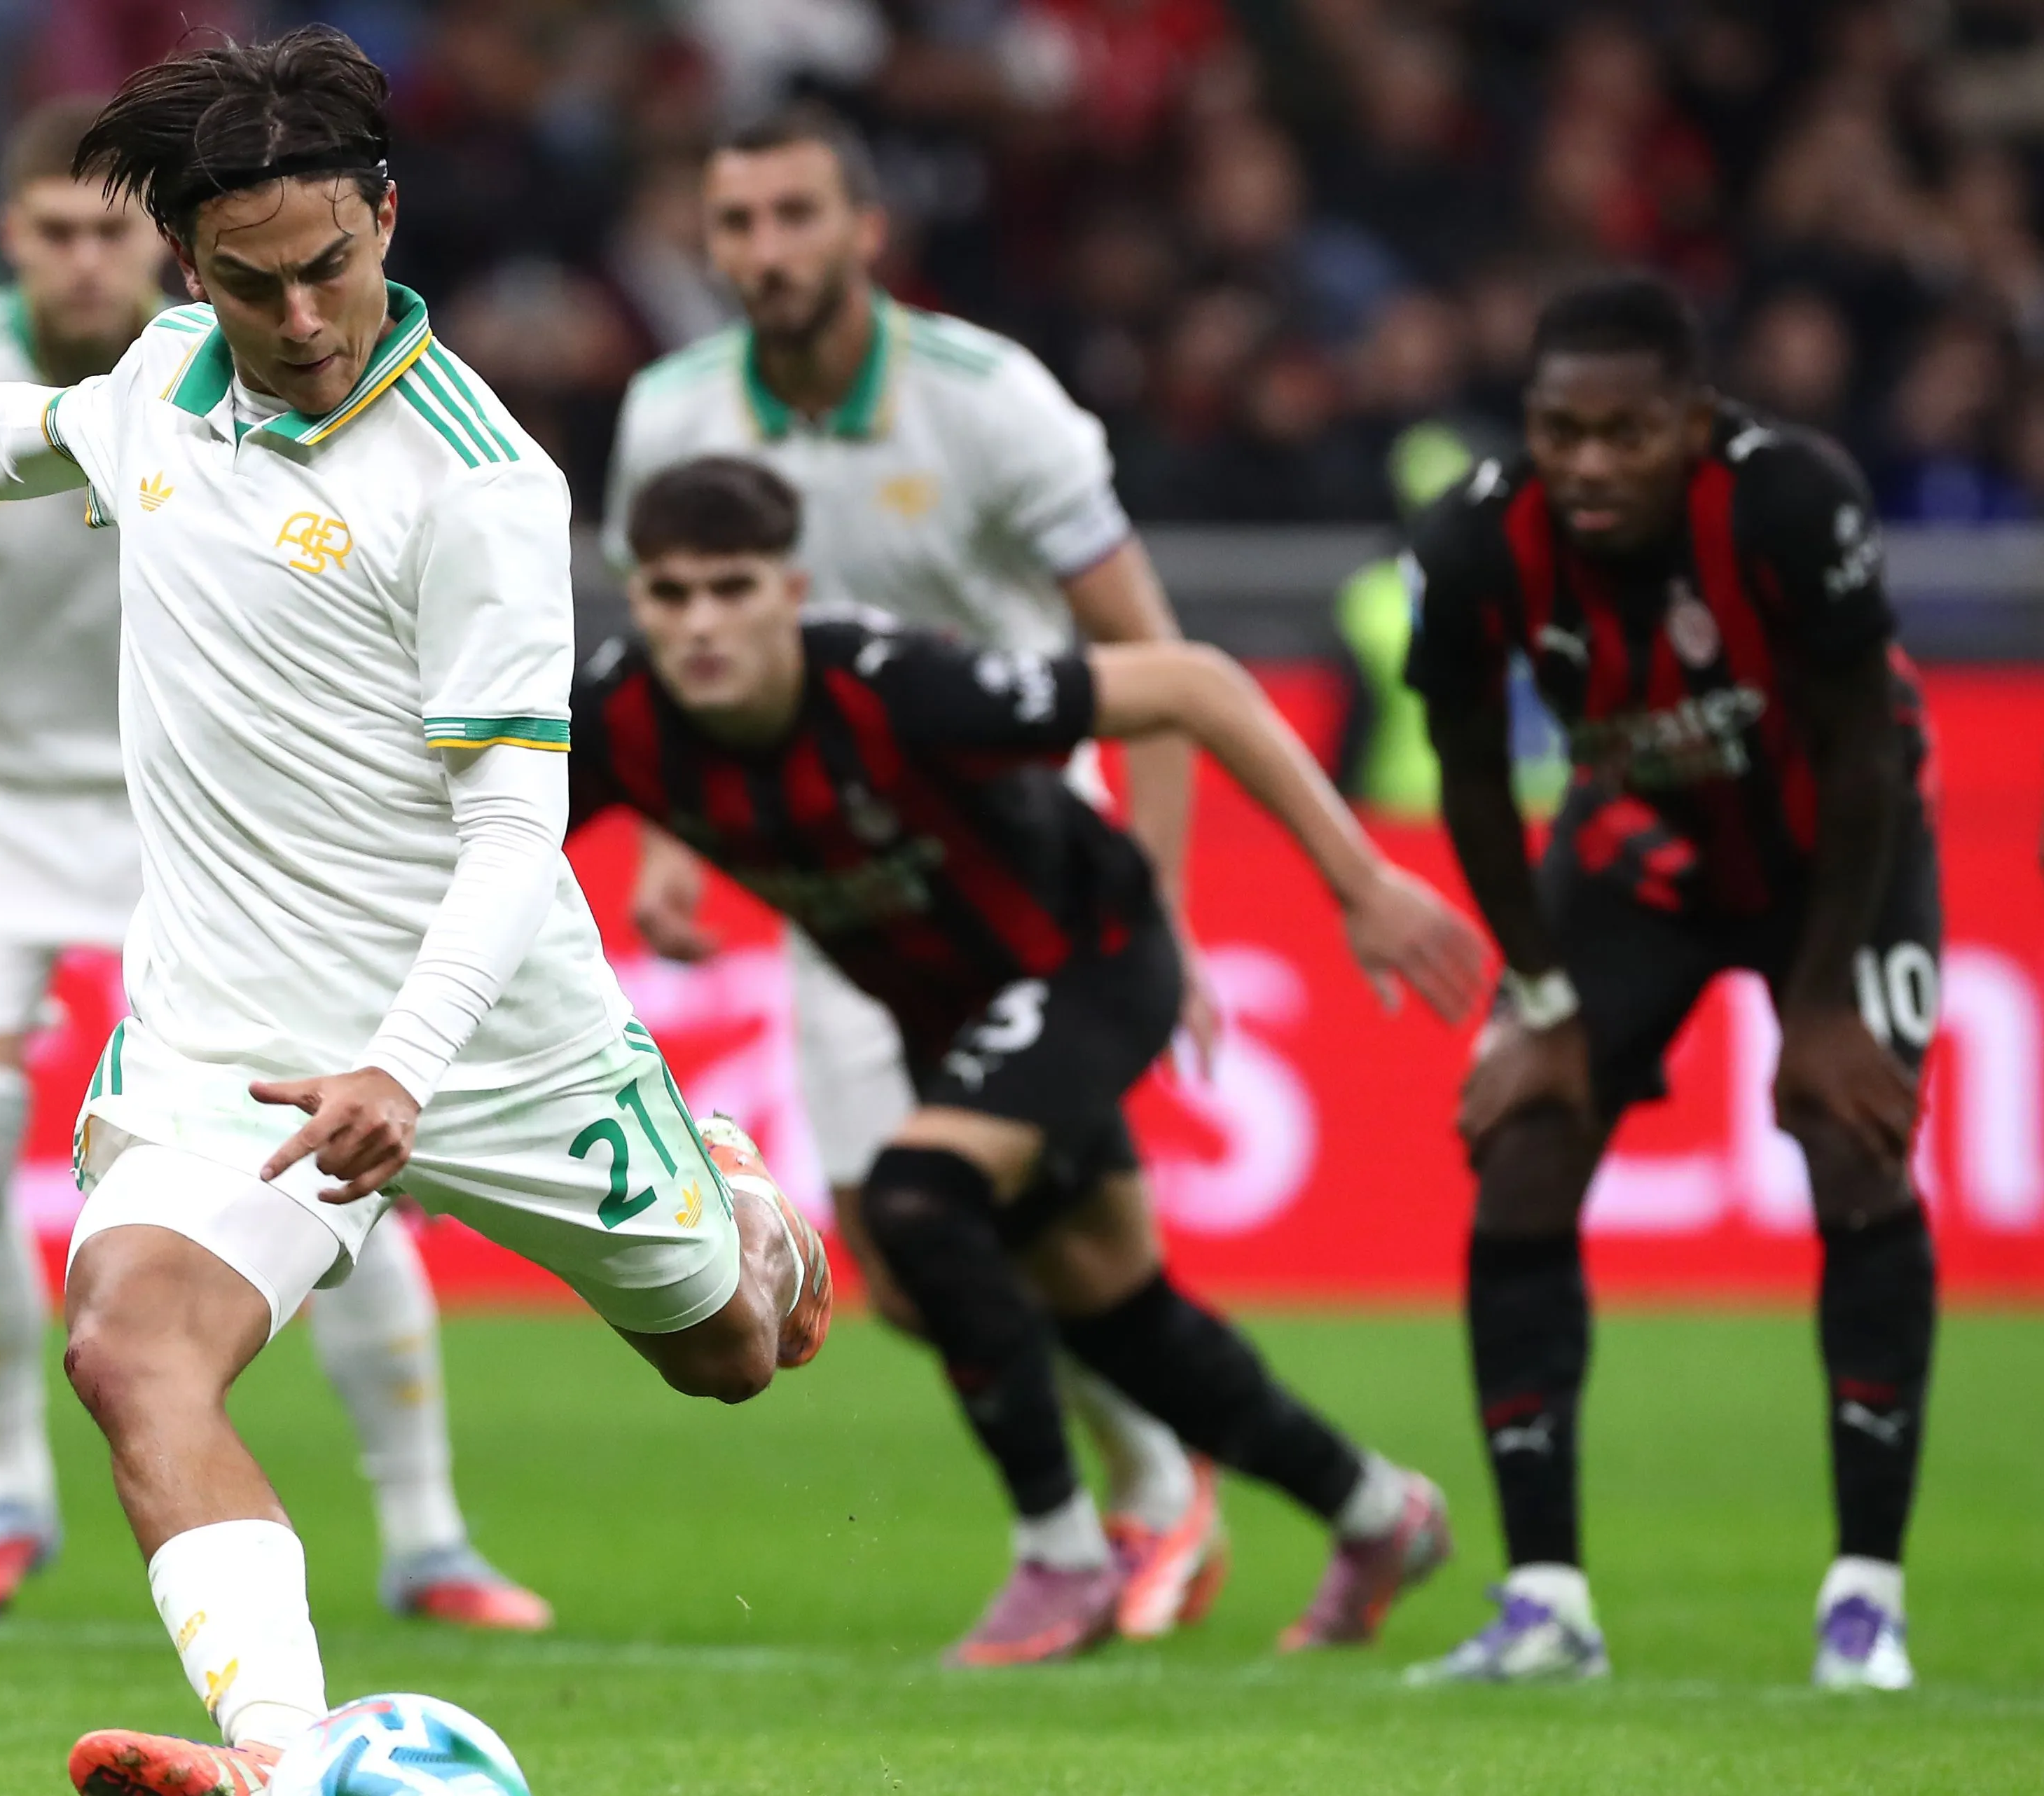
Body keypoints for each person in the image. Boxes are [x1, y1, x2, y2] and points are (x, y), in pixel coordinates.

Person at [0, 26, 828, 1796]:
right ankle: (287, 1764)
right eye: (249, 282)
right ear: (185, 268)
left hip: (488, 1029)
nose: (303, 314)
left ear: (386, 216)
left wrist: (407, 1061)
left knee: (734, 1352)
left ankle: (726, 1188)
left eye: (331, 264)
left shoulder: (479, 484)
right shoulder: (165, 377)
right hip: (227, 1021)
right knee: (132, 1344)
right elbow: (20, 435)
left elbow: (512, 830)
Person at [0, 98, 549, 1633]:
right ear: (9, 235)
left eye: (111, 233)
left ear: (161, 247)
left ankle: (432, 1532)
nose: (84, 260)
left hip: (205, 811)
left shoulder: (217, 370)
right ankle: (0, 1491)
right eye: (53, 230)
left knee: (321, 1147)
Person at [579, 454, 1490, 1661]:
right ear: (634, 597)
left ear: (790, 590)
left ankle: (1063, 1553)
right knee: (1117, 1316)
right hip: (947, 1009)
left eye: (731, 588)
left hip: (1092, 961)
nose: (699, 624)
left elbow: (1200, 684)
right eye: (671, 594)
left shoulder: (896, 686)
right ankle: (1380, 1513)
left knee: (917, 1197)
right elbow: (467, 838)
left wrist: (1361, 880)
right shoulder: (619, 718)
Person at [601, 102, 1227, 1662]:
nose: (764, 252)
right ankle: (1163, 1479)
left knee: (1010, 1219)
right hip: (840, 881)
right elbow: (677, 667)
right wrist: (677, 839)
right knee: (890, 1259)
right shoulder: (674, 415)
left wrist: (1159, 905)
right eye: (736, 223)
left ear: (866, 229)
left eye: (795, 216)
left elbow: (1139, 653)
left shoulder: (992, 401)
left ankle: (1143, 1503)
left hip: (1027, 869)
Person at [1402, 275, 1942, 1692]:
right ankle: (1543, 1602)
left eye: (1626, 434)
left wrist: (1821, 1007)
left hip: (1840, 853)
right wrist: (1543, 999)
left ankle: (1865, 1600)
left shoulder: (1789, 502)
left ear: (1694, 426)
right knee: (1521, 1151)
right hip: (1640, 848)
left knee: (1855, 1147)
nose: (1588, 463)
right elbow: (1466, 776)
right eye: (1560, 430)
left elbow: (1869, 751)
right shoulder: (1472, 541)